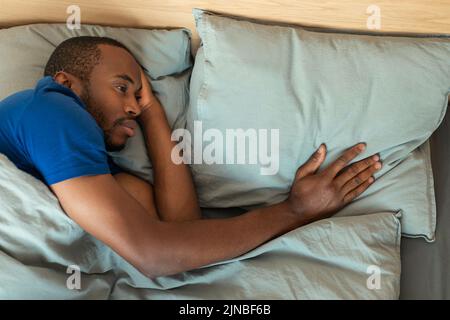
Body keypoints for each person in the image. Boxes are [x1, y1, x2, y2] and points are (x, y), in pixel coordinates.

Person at [0, 36, 382, 278]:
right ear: (67, 82)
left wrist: (153, 116)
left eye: (140, 96)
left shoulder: (91, 170)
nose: (133, 106)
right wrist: (295, 211)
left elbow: (181, 229)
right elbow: (154, 255)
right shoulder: (53, 108)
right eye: (122, 88)